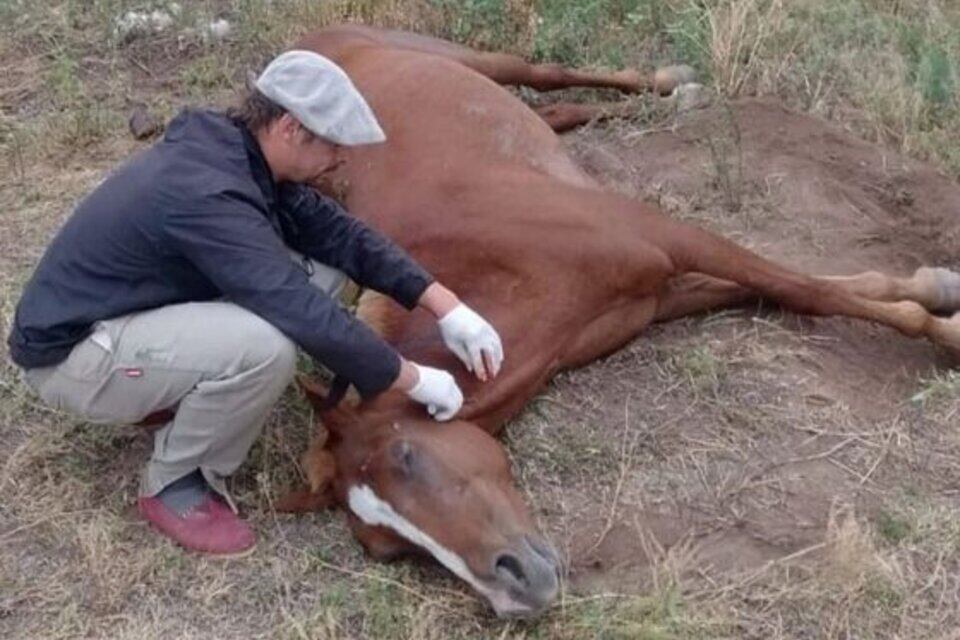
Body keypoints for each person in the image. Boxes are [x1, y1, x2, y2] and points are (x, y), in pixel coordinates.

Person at [6, 50, 504, 556]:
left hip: (127, 315)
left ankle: (184, 388)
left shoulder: (239, 152)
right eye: (332, 143)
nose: (340, 158)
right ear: (290, 128)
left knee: (324, 270)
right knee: (266, 348)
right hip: (74, 357)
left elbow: (340, 236)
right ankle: (176, 481)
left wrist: (447, 307)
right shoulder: (208, 192)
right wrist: (413, 378)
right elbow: (291, 303)